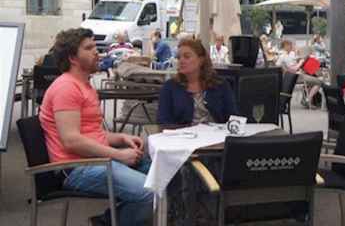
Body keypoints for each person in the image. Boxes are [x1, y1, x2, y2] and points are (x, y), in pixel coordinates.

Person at [39, 28, 152, 226]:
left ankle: (106, 221)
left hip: (94, 161)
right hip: (76, 168)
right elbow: (72, 141)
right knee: (150, 192)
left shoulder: (85, 86)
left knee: (159, 174)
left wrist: (121, 139)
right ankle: (110, 222)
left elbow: (91, 133)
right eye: (89, 48)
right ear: (73, 58)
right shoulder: (66, 87)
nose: (96, 52)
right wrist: (117, 154)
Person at [158, 38, 237, 125]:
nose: (181, 61)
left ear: (201, 60)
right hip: (182, 136)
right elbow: (163, 121)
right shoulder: (170, 87)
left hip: (216, 135)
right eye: (178, 57)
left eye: (187, 57)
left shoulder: (220, 85)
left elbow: (233, 117)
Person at [276, 39, 322, 108]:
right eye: (290, 45)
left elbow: (296, 60)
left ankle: (307, 99)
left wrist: (300, 59)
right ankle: (308, 100)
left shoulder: (291, 53)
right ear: (285, 46)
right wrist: (300, 62)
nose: (291, 46)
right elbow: (282, 66)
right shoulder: (282, 56)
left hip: (298, 74)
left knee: (313, 78)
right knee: (318, 82)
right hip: (296, 76)